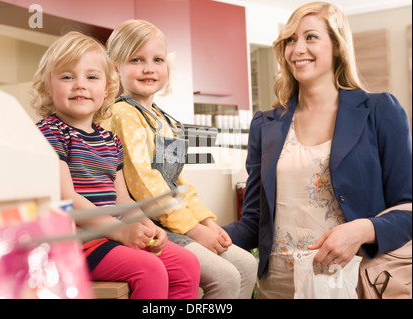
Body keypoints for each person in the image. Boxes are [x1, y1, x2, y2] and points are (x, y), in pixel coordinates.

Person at [223, 1, 412, 299]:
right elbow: (254, 222)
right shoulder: (265, 124)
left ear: (337, 46)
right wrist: (199, 234)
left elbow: (408, 206)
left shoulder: (379, 111)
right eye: (290, 40)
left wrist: (363, 229)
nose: (298, 49)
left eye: (310, 37)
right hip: (277, 288)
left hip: (354, 285)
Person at [31, 31, 200, 299]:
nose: (80, 85)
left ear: (107, 87)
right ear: (47, 87)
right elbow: (66, 197)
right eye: (67, 76)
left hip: (111, 236)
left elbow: (122, 198)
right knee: (150, 270)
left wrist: (146, 225)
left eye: (92, 77)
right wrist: (120, 229)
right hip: (77, 243)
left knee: (187, 265)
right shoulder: (50, 132)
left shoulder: (110, 140)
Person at [102, 19, 258, 299]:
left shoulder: (165, 120)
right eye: (136, 59)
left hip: (174, 220)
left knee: (247, 264)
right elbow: (145, 184)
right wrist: (195, 230)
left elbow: (177, 182)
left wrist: (207, 222)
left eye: (157, 59)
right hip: (147, 224)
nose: (149, 68)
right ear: (116, 69)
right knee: (225, 277)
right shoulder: (123, 114)